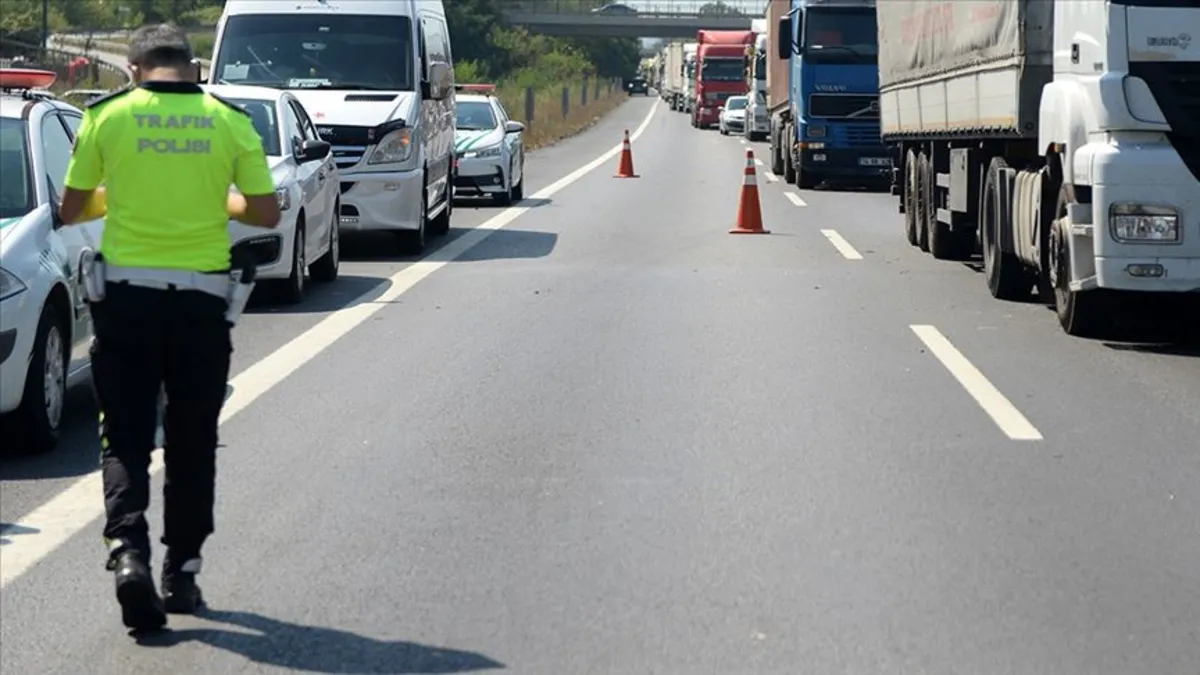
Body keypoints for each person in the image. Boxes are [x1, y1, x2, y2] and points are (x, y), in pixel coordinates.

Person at [58, 23, 281, 632]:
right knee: (191, 441)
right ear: (192, 68)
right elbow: (265, 210)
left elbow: (71, 208)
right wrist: (220, 200)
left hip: (125, 302)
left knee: (125, 436)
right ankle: (181, 571)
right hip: (201, 307)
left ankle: (128, 552)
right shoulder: (230, 120)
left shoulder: (108, 117)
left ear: (133, 69)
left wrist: (117, 195)